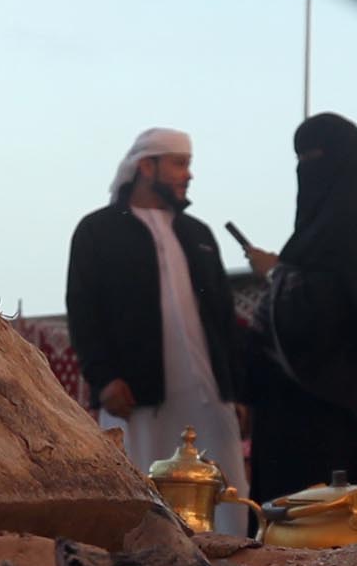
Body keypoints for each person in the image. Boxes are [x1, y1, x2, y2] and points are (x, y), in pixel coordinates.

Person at [64, 127, 250, 504]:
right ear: (146, 166)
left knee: (222, 493)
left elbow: (223, 318)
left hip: (208, 395)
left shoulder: (197, 233)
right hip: (137, 397)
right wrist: (104, 379)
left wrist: (238, 390)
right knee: (141, 492)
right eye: (179, 164)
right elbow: (84, 311)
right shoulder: (97, 231)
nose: (188, 175)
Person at [240, 112, 357, 495]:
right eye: (299, 161)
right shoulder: (327, 239)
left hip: (328, 427)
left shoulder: (344, 239)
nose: (305, 170)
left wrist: (275, 274)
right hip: (302, 421)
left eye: (311, 159)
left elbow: (318, 323)